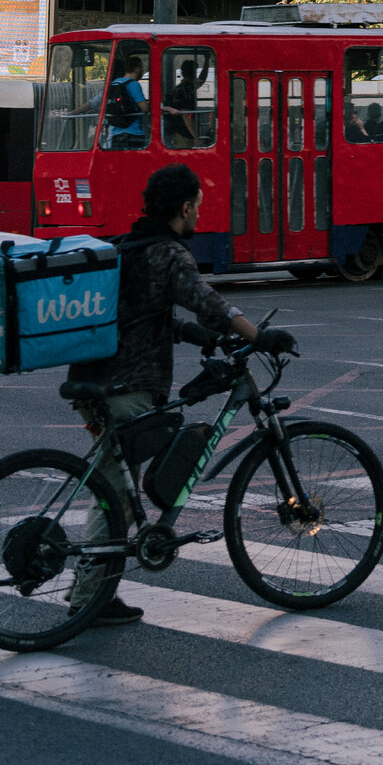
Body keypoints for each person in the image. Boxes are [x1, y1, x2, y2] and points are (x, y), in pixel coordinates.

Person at [65, 164, 297, 625]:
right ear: (186, 207)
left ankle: (93, 592)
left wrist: (192, 334)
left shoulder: (129, 245)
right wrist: (257, 335)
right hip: (124, 387)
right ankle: (88, 599)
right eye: (198, 208)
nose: (199, 215)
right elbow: (208, 300)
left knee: (115, 490)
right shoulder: (169, 252)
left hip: (96, 378)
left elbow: (138, 314)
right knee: (115, 495)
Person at [105, 56, 149, 150]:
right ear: (137, 69)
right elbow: (144, 108)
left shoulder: (114, 83)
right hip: (133, 133)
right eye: (142, 68)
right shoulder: (133, 84)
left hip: (116, 134)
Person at [161, 58, 202, 149]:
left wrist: (206, 62)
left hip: (184, 130)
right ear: (194, 73)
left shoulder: (189, 87)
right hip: (181, 132)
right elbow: (186, 115)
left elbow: (202, 80)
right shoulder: (183, 90)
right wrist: (196, 137)